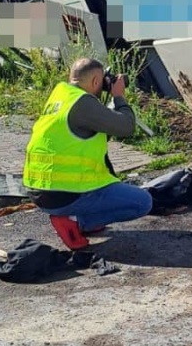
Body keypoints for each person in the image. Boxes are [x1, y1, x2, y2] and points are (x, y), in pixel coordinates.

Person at [22, 56, 152, 246]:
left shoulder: (61, 96)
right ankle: (76, 221)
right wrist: (118, 96)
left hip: (40, 192)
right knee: (142, 202)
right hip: (66, 194)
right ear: (95, 81)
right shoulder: (83, 103)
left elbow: (94, 130)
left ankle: (80, 220)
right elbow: (126, 126)